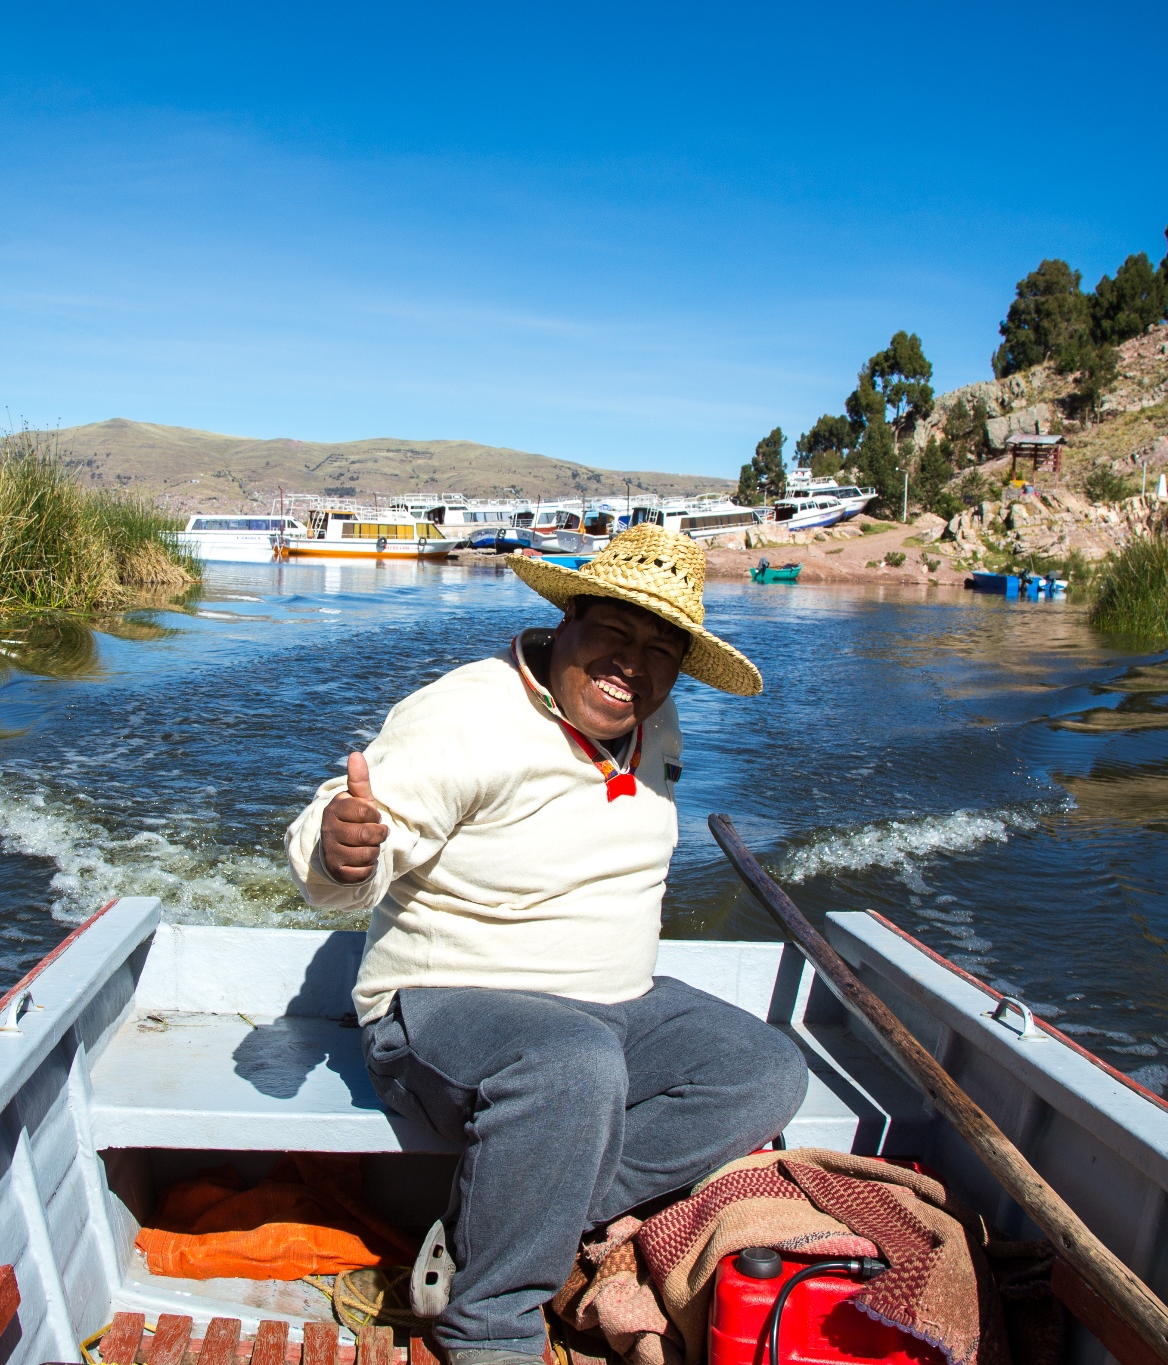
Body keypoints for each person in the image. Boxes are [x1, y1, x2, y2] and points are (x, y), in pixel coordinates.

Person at [285, 525, 808, 1365]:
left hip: (613, 1008)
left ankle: (500, 1222)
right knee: (571, 1064)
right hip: (441, 1007)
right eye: (614, 632)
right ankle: (488, 1322)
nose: (632, 664)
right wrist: (340, 847)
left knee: (764, 1068)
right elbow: (347, 840)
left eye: (659, 648)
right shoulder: (466, 711)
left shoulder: (656, 724)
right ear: (567, 619)